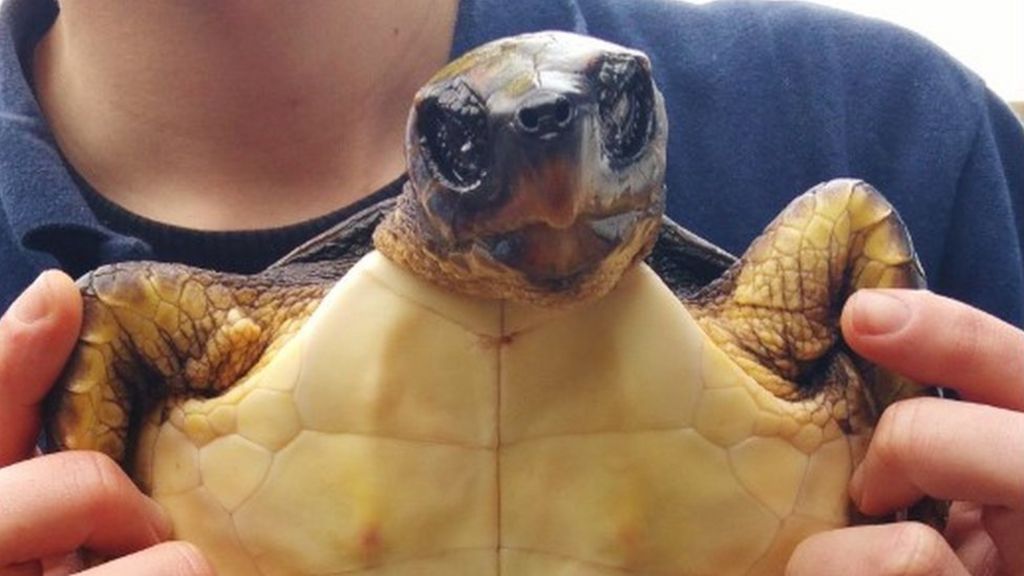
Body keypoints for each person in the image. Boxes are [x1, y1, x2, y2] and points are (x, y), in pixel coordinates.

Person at [0, 0, 1021, 574]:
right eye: (475, 140)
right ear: (428, 152)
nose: (553, 177)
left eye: (606, 125)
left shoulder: (894, 127)